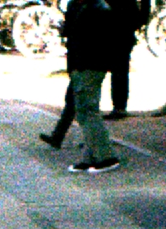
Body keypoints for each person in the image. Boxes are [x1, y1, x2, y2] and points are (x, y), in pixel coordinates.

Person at [53, 0, 122, 172]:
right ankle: (90, 156)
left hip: (90, 65)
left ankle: (105, 156)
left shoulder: (98, 9)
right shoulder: (80, 6)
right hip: (81, 64)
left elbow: (95, 41)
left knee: (89, 110)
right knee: (83, 112)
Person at [105, 0, 143, 119]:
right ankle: (119, 106)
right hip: (120, 28)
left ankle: (119, 106)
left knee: (118, 70)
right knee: (119, 70)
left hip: (119, 28)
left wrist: (138, 21)